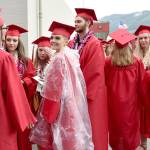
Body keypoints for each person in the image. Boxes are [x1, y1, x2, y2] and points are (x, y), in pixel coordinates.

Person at [30, 21, 94, 150]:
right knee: (70, 138)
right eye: (52, 37)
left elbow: (54, 90)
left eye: (57, 38)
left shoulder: (59, 58)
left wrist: (48, 113)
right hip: (71, 102)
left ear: (66, 41)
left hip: (60, 106)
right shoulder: (70, 55)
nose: (53, 40)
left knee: (59, 137)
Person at [69, 8, 108, 150]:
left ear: (88, 22)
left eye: (78, 21)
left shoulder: (94, 44)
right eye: (75, 21)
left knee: (92, 129)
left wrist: (80, 92)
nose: (75, 24)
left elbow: (95, 72)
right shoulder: (72, 43)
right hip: (74, 93)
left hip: (89, 95)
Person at [105, 29, 145, 150]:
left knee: (116, 129)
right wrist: (143, 102)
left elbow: (105, 82)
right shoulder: (136, 61)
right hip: (131, 105)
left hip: (113, 104)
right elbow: (141, 85)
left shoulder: (108, 61)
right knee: (130, 130)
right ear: (129, 45)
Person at [0, 17, 36, 150]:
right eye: (8, 40)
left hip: (22, 98)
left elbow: (32, 77)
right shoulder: (4, 57)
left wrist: (23, 81)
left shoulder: (26, 61)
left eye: (14, 40)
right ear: (4, 40)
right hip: (7, 98)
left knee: (22, 134)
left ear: (18, 42)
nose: (11, 43)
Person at [134, 25, 150, 150]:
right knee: (142, 120)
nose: (143, 41)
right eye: (141, 39)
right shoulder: (136, 55)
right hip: (140, 94)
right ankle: (143, 145)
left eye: (145, 38)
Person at [32, 37, 51, 115]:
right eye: (40, 50)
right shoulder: (34, 65)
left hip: (48, 98)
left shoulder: (52, 65)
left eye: (45, 50)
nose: (42, 53)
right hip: (37, 97)